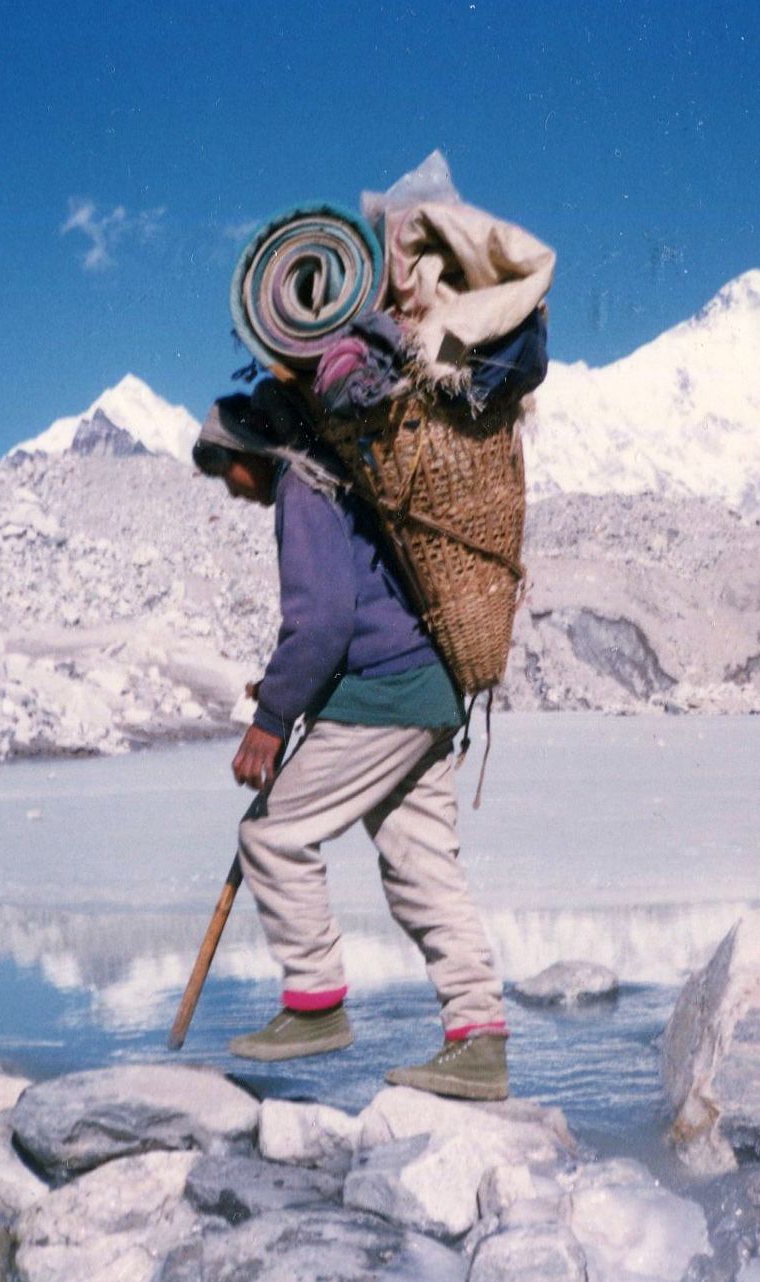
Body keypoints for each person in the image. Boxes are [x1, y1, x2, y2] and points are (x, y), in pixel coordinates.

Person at [191, 388, 511, 1099]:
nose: (231, 491)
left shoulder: (303, 491)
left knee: (272, 835)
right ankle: (478, 1039)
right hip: (429, 691)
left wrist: (271, 717)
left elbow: (325, 620)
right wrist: (284, 687)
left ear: (250, 455)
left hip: (384, 694)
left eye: (226, 473)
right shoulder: (342, 484)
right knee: (421, 868)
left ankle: (316, 1004)